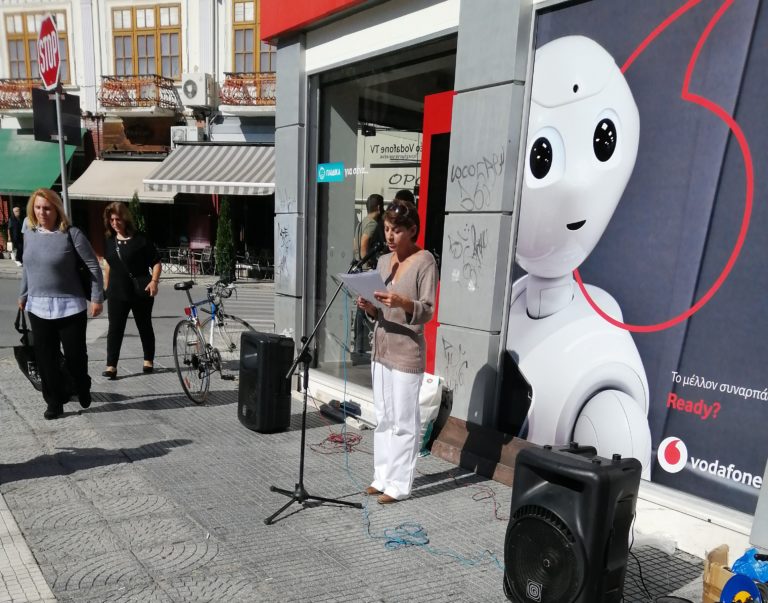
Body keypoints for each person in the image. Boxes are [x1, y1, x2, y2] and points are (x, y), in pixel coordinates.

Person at [356, 197, 437, 504]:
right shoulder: (382, 262)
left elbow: (427, 310)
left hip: (406, 352)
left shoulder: (425, 261)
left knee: (404, 421)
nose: (389, 236)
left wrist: (403, 303)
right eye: (387, 229)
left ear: (412, 230)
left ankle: (400, 485)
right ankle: (382, 477)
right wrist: (369, 307)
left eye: (396, 231)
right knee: (384, 417)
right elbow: (379, 311)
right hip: (382, 348)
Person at [17, 188, 104, 419]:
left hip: (70, 306)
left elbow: (93, 266)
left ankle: (81, 384)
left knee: (75, 356)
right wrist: (23, 294)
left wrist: (96, 298)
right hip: (38, 306)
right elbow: (27, 267)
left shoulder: (71, 234)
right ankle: (54, 402)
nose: (42, 212)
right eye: (37, 208)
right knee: (46, 359)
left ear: (57, 209)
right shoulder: (30, 232)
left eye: (47, 208)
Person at [101, 201, 162, 379]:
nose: (114, 223)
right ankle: (111, 365)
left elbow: (156, 262)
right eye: (111, 220)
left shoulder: (140, 239)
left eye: (118, 219)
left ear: (125, 219)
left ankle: (148, 359)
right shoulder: (110, 241)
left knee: (144, 325)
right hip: (116, 291)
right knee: (115, 329)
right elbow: (107, 266)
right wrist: (106, 288)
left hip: (140, 289)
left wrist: (154, 282)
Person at [351, 194, 385, 363]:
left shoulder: (361, 222)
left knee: (361, 308)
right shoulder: (371, 224)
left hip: (358, 266)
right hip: (364, 268)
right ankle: (362, 346)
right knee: (366, 307)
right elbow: (364, 242)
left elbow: (355, 242)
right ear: (379, 207)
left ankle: (359, 345)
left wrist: (358, 259)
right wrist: (367, 265)